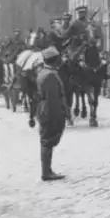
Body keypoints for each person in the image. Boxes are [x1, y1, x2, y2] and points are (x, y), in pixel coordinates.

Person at [32, 46, 72, 181]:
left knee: (46, 140)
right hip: (50, 110)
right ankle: (46, 172)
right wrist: (59, 116)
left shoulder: (43, 72)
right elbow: (53, 99)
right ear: (55, 60)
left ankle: (47, 170)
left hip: (45, 108)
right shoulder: (50, 75)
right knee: (47, 141)